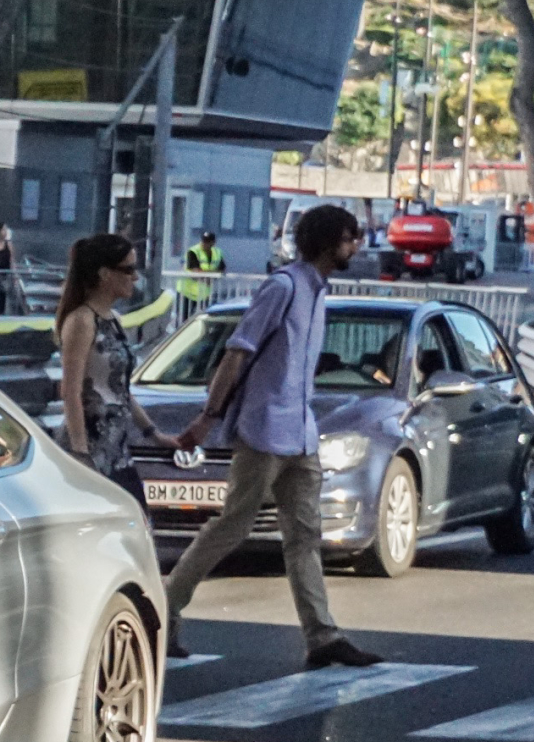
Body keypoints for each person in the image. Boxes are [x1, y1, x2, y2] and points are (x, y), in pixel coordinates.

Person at [165, 203, 385, 669]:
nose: (356, 246)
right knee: (233, 525)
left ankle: (322, 636)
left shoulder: (317, 293)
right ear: (329, 243)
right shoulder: (283, 287)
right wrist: (209, 416)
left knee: (305, 533)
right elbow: (237, 352)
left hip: (300, 433)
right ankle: (163, 609)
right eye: (350, 238)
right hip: (263, 430)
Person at [55, 233, 168, 510]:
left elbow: (120, 390)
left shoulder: (114, 320)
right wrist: (81, 455)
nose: (136, 277)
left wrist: (153, 434)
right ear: (105, 274)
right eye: (128, 269)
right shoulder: (82, 321)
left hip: (117, 447)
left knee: (136, 522)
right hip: (92, 446)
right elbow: (71, 392)